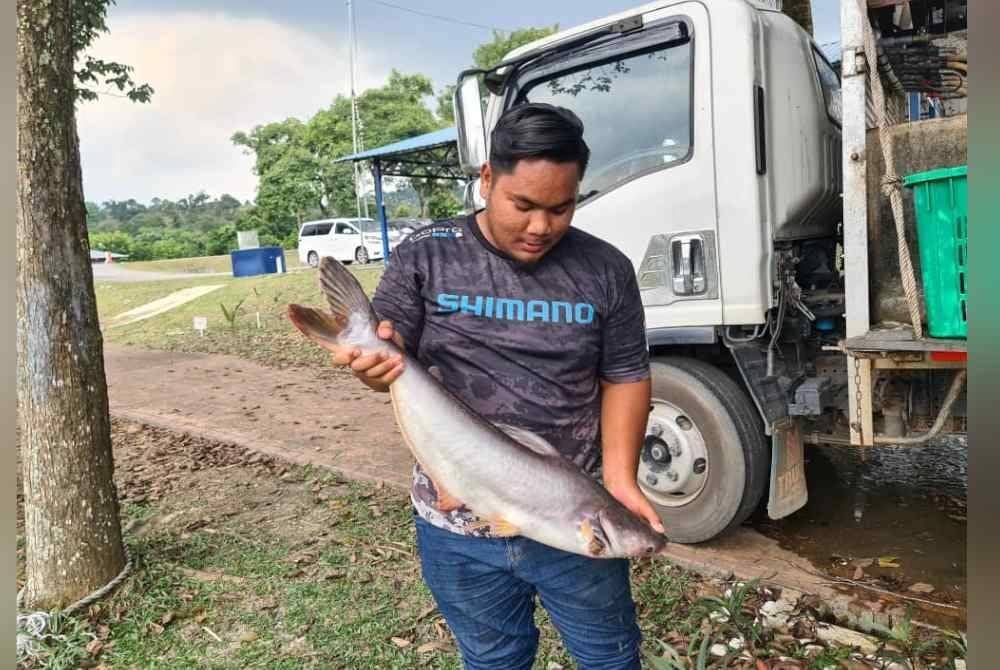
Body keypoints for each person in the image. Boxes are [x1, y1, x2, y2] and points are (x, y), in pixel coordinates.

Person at [329, 102, 664, 670]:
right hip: (453, 521)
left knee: (610, 658)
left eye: (561, 208)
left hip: (573, 513)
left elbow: (626, 373)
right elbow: (391, 354)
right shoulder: (427, 252)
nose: (541, 227)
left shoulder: (605, 268)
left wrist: (618, 479)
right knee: (492, 660)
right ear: (487, 180)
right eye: (524, 205)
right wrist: (371, 364)